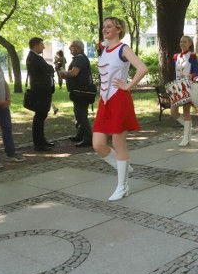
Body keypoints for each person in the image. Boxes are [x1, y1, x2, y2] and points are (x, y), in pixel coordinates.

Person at [92, 16, 148, 201]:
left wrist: (128, 85)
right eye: (104, 27)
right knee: (98, 144)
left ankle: (122, 186)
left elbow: (142, 68)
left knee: (118, 143)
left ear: (118, 30)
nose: (105, 29)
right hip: (104, 101)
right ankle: (122, 165)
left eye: (109, 26)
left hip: (119, 99)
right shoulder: (104, 49)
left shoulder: (123, 49)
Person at [60, 40, 93, 147]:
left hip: (80, 91)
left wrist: (64, 73)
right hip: (80, 91)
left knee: (81, 115)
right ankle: (80, 135)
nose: (70, 48)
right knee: (79, 113)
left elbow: (74, 72)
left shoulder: (79, 58)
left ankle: (88, 138)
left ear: (78, 47)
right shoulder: (81, 57)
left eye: (72, 46)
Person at [26, 37, 56, 151]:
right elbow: (48, 68)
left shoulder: (35, 57)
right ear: (35, 45)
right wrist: (50, 68)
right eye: (42, 45)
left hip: (41, 91)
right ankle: (39, 143)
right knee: (39, 117)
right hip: (40, 92)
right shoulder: (35, 58)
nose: (43, 47)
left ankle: (42, 140)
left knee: (41, 117)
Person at [171, 35, 198, 146]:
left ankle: (186, 137)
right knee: (173, 111)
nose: (182, 43)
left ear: (190, 44)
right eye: (181, 41)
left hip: (187, 85)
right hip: (177, 86)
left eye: (185, 42)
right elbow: (175, 73)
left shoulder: (192, 57)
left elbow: (197, 73)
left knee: (186, 112)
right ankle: (188, 128)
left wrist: (189, 75)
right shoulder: (176, 57)